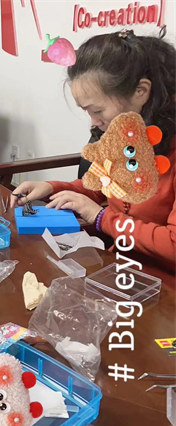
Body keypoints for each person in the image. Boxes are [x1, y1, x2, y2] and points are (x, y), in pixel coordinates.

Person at [10, 29, 175, 266]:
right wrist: (52, 188)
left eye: (97, 111)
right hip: (121, 264)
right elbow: (101, 187)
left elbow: (172, 245)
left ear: (141, 92)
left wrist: (100, 216)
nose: (94, 122)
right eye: (87, 111)